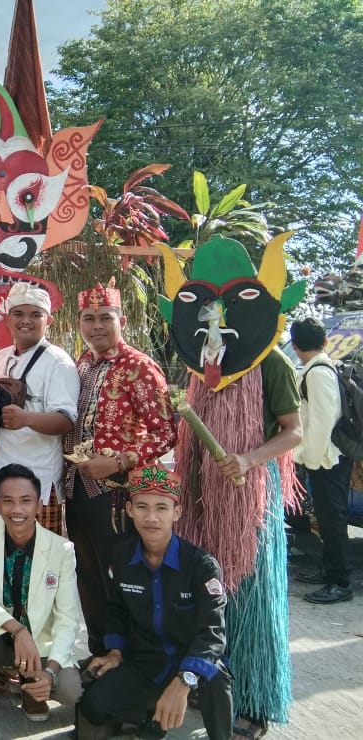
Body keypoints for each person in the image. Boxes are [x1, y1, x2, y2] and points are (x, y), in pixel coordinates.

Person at [156, 236, 304, 739]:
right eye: (207, 307)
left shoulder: (271, 361)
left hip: (251, 500)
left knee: (251, 598)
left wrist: (248, 458)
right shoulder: (198, 363)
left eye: (229, 306)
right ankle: (210, 681)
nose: (216, 319)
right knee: (208, 595)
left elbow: (293, 430)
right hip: (201, 497)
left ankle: (256, 700)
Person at [77, 464, 232, 740]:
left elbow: (213, 633)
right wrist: (114, 653)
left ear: (177, 513)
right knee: (92, 705)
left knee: (217, 677)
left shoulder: (201, 566)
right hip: (142, 661)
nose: (151, 518)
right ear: (129, 510)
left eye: (161, 508)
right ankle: (148, 716)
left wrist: (184, 681)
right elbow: (116, 609)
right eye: (142, 507)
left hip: (188, 662)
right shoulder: (122, 556)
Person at [63, 280, 176, 657]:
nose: (96, 326)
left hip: (119, 496)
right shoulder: (79, 364)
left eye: (104, 317)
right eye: (89, 318)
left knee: (123, 579)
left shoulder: (139, 366)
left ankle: (131, 662)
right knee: (88, 578)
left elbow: (166, 432)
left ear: (121, 320)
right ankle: (99, 654)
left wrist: (119, 461)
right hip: (78, 490)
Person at [0, 464, 82, 740]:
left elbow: (68, 617)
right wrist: (17, 630)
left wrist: (51, 672)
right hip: (0, 638)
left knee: (71, 690)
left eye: (26, 501)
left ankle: (33, 684)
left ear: (39, 504)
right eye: (8, 501)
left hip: (39, 648)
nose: (17, 510)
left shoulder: (62, 549)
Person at [0, 282, 79, 535]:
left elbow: (66, 420)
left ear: (49, 320)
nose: (26, 321)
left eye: (35, 315)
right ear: (7, 319)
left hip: (39, 481)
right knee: (0, 558)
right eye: (18, 314)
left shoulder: (59, 362)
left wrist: (26, 418)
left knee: (42, 558)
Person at [289, 317, 353, 604]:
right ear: (325, 342)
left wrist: (309, 459)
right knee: (327, 521)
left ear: (294, 345)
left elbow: (323, 420)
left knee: (333, 521)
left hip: (328, 459)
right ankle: (328, 572)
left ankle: (340, 582)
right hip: (324, 458)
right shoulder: (320, 368)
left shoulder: (317, 373)